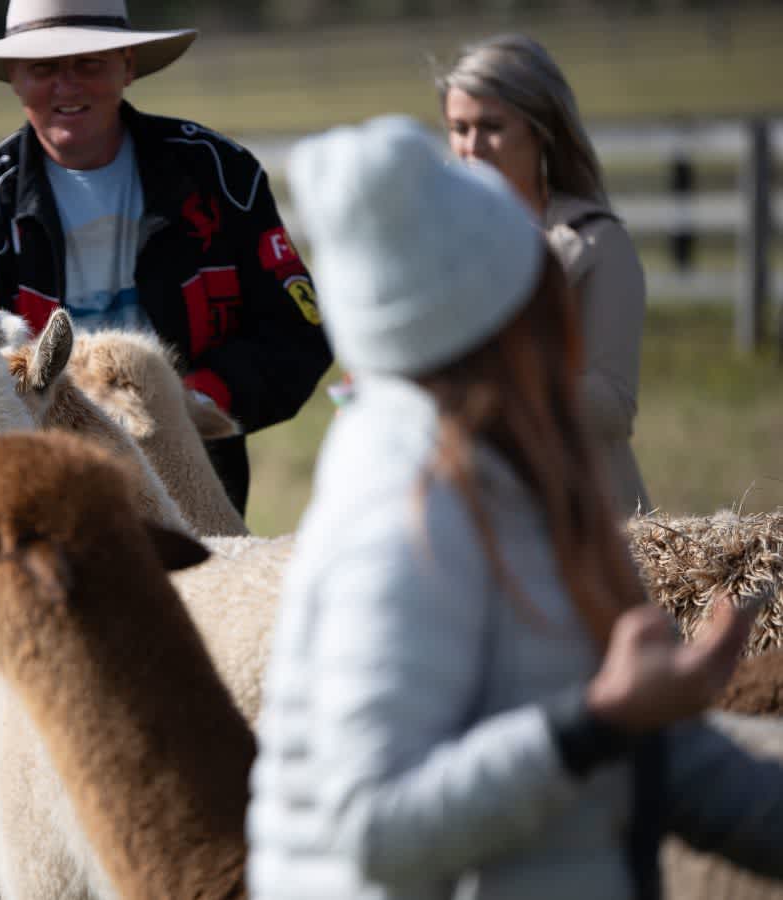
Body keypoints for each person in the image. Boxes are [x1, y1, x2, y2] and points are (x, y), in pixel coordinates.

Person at [245, 116, 783, 900]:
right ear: (501, 319)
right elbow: (373, 826)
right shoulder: (405, 513)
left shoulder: (513, 481)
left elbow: (652, 759)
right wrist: (598, 718)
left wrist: (624, 716)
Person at [0, 0, 333, 516]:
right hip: (49, 493)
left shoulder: (220, 174)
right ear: (14, 77)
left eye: (89, 64)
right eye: (43, 68)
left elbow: (295, 331)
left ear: (128, 66)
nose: (66, 86)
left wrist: (188, 404)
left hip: (202, 475)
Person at [439, 33, 650, 515]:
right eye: (458, 127)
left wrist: (492, 384)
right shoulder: (438, 244)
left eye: (492, 126)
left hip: (579, 514)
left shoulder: (596, 243)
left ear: (540, 129)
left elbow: (613, 408)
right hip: (468, 513)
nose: (472, 147)